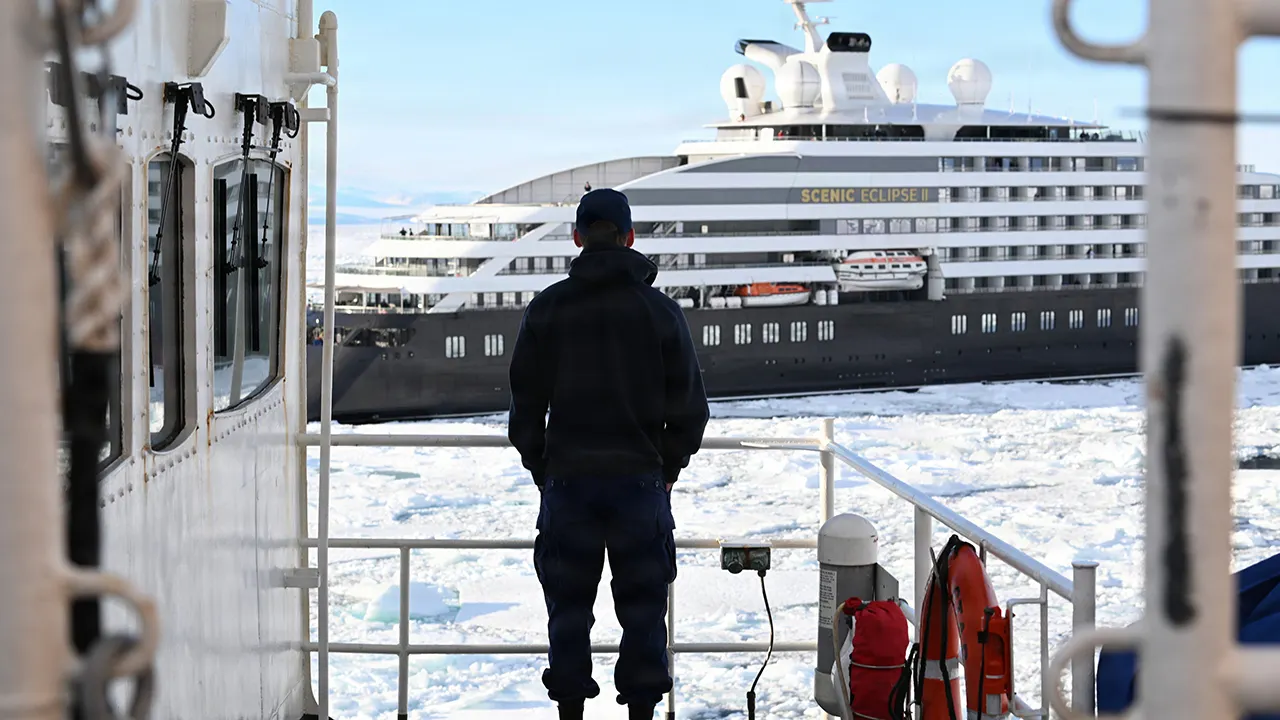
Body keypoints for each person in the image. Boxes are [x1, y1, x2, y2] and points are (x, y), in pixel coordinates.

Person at [507, 188, 710, 720]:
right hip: (640, 485)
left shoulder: (547, 308)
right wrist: (666, 467)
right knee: (643, 611)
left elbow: (524, 411)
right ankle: (641, 711)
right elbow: (691, 411)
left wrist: (544, 469)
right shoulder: (661, 312)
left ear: (577, 238)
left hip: (568, 483)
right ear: (630, 237)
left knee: (567, 610)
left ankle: (570, 711)